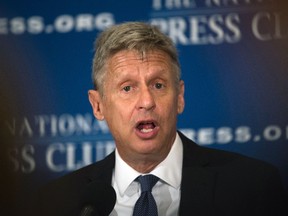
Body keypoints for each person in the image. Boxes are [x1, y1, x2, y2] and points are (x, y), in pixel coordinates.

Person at [29, 21, 287, 216]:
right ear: (98, 105)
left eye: (159, 85)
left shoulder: (253, 186)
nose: (146, 101)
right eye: (127, 88)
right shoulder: (55, 204)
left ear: (180, 97)